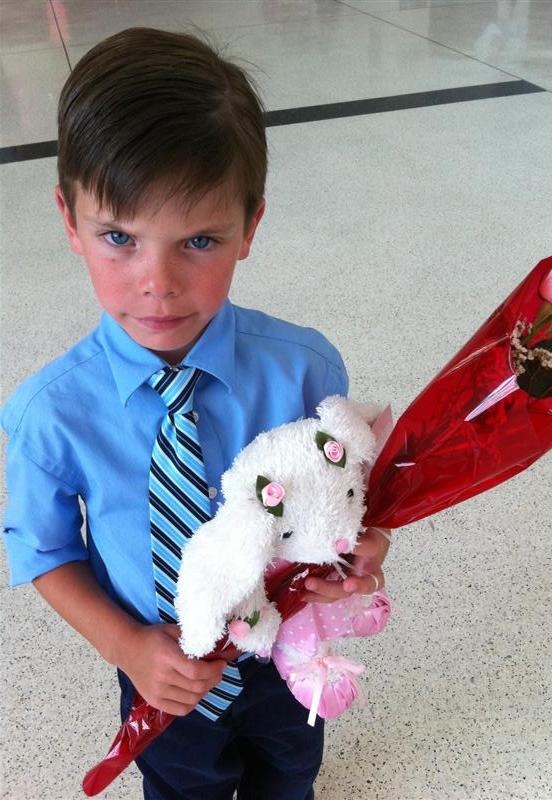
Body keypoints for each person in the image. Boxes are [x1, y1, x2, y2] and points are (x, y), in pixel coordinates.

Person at [1, 27, 389, 800]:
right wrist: (128, 647)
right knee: (182, 786)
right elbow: (44, 551)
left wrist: (361, 549)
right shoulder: (50, 413)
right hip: (161, 665)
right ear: (70, 220)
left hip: (287, 648)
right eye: (120, 237)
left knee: (290, 774)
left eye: (199, 240)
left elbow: (342, 495)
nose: (158, 282)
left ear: (251, 226)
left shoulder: (306, 368)